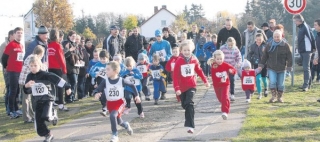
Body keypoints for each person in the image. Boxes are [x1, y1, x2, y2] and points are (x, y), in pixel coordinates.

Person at [23, 56, 71, 142]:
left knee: (46, 116)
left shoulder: (45, 74)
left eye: (35, 65)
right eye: (31, 66)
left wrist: (67, 87)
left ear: (39, 65)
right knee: (38, 122)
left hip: (47, 99)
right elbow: (27, 91)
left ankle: (53, 115)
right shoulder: (29, 76)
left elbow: (57, 80)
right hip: (37, 101)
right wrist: (26, 86)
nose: (33, 68)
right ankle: (48, 134)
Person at [93, 61, 140, 142]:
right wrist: (96, 93)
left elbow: (132, 85)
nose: (106, 71)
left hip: (119, 102)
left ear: (115, 71)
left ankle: (115, 135)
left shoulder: (121, 80)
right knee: (118, 121)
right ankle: (126, 125)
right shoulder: (105, 81)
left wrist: (137, 96)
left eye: (108, 69)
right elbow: (98, 89)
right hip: (110, 104)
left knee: (112, 116)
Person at [173, 40, 209, 134]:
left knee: (189, 103)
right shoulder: (179, 61)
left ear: (192, 50)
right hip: (181, 87)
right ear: (181, 51)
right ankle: (189, 115)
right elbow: (175, 76)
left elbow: (199, 70)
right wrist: (177, 88)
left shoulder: (194, 59)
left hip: (191, 85)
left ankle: (190, 126)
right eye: (184, 50)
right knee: (185, 105)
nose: (187, 52)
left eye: (188, 50)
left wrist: (205, 81)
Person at [258, 30, 293, 103]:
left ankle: (279, 97)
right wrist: (261, 65)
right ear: (273, 37)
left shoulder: (285, 45)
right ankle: (273, 96)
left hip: (282, 68)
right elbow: (264, 56)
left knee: (281, 84)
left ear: (281, 37)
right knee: (272, 82)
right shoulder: (269, 45)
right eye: (275, 37)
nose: (276, 38)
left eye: (278, 37)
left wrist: (289, 66)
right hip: (271, 68)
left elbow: (289, 57)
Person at [19, 45, 46, 123]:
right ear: (40, 53)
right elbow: (40, 68)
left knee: (28, 99)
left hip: (25, 80)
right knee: (26, 100)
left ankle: (31, 115)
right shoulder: (34, 59)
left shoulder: (30, 57)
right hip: (25, 82)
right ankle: (26, 118)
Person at [207, 50, 237, 120]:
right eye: (217, 59)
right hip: (217, 85)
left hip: (225, 84)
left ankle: (225, 112)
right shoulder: (214, 65)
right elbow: (212, 70)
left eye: (221, 59)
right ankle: (226, 103)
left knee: (225, 97)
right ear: (215, 59)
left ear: (223, 59)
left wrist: (231, 71)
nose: (219, 61)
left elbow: (234, 70)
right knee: (220, 99)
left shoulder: (226, 65)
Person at [2, 27, 24, 119]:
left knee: (18, 91)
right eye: (18, 33)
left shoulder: (21, 45)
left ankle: (16, 108)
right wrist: (6, 67)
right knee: (13, 91)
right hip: (12, 71)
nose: (20, 35)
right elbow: (4, 58)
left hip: (20, 71)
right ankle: (11, 110)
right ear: (14, 34)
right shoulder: (10, 45)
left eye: (21, 33)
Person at [293, 14, 316, 91]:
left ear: (299, 20)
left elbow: (311, 37)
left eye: (295, 21)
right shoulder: (301, 27)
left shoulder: (305, 27)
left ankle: (306, 85)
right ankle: (307, 84)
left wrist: (314, 48)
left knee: (306, 68)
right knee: (306, 68)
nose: (295, 22)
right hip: (302, 50)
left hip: (307, 50)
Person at [48, 29, 69, 111]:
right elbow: (61, 59)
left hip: (49, 68)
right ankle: (61, 104)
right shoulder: (57, 45)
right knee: (60, 86)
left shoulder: (48, 45)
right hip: (57, 68)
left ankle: (52, 103)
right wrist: (64, 70)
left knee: (51, 86)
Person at [149, 29, 172, 99]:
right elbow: (150, 54)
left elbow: (170, 53)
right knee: (157, 78)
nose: (158, 37)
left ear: (161, 35)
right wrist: (151, 60)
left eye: (159, 36)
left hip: (165, 62)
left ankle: (163, 93)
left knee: (164, 77)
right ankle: (158, 91)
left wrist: (166, 58)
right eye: (157, 36)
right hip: (157, 64)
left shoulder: (166, 43)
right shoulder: (154, 45)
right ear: (155, 37)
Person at [220, 37, 241, 101]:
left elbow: (239, 58)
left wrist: (238, 63)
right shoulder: (222, 48)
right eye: (229, 45)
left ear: (234, 44)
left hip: (232, 67)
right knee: (224, 80)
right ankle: (224, 93)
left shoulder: (236, 50)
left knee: (231, 80)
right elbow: (219, 55)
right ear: (226, 43)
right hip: (224, 67)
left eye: (231, 45)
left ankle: (232, 93)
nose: (230, 46)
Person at [89, 50, 110, 116]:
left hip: (109, 83)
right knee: (102, 96)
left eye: (104, 59)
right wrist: (96, 74)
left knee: (107, 95)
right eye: (101, 59)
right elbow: (91, 72)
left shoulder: (110, 64)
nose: (102, 60)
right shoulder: (97, 65)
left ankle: (106, 108)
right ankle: (104, 108)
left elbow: (117, 70)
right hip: (100, 83)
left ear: (107, 58)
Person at [247, 33, 268, 99]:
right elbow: (250, 53)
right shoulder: (253, 46)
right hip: (256, 64)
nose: (259, 41)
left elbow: (268, 54)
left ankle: (266, 89)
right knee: (258, 79)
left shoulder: (266, 45)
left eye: (260, 40)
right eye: (257, 40)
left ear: (263, 39)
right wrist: (249, 59)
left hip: (264, 64)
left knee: (264, 79)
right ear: (255, 39)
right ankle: (259, 94)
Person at [62, 30, 81, 103]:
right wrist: (69, 50)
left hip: (75, 66)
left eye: (75, 36)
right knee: (72, 82)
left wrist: (79, 59)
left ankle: (72, 96)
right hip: (69, 67)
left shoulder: (75, 44)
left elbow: (77, 54)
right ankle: (69, 97)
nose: (74, 38)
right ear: (69, 36)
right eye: (72, 36)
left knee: (75, 82)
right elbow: (63, 55)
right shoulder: (66, 43)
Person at [1, 30, 14, 116]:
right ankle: (8, 108)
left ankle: (13, 107)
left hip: (14, 70)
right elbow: (2, 58)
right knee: (9, 89)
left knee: (13, 89)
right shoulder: (4, 45)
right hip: (7, 71)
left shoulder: (15, 45)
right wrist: (6, 67)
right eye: (15, 35)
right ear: (10, 36)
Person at [313, 19, 320, 102]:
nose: (314, 26)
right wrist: (315, 57)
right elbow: (318, 49)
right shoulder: (317, 35)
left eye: (315, 25)